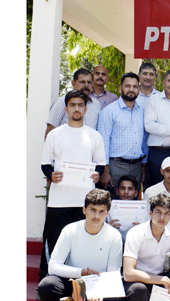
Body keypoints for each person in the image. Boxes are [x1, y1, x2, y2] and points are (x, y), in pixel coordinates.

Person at [39, 90, 107, 281]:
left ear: (85, 109)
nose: (76, 109)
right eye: (72, 105)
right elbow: (45, 164)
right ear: (66, 108)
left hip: (83, 202)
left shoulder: (94, 136)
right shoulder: (55, 135)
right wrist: (51, 175)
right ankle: (46, 279)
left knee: (80, 244)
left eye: (80, 105)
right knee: (54, 242)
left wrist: (97, 174)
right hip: (59, 201)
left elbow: (100, 163)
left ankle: (78, 283)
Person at [37, 189, 124, 301]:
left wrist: (99, 291)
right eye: (92, 210)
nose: (96, 216)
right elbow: (53, 266)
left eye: (101, 211)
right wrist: (83, 272)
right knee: (46, 286)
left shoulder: (114, 235)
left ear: (108, 213)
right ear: (84, 209)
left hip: (100, 282)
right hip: (74, 281)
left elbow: (113, 272)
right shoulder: (70, 230)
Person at [96, 72, 148, 194]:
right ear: (120, 89)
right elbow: (103, 143)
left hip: (137, 166)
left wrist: (143, 167)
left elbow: (144, 141)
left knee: (132, 205)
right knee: (113, 203)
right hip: (115, 166)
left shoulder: (142, 112)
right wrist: (105, 171)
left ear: (139, 90)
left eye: (135, 87)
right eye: (127, 86)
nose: (131, 89)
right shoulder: (109, 111)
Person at [46, 69, 103, 138]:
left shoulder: (96, 104)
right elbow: (50, 131)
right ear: (73, 83)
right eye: (82, 82)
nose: (86, 85)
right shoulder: (62, 102)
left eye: (89, 82)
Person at [106, 175, 143, 242]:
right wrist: (106, 227)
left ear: (136, 193)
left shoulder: (143, 209)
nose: (126, 192)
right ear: (117, 191)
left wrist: (144, 229)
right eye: (122, 188)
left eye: (130, 189)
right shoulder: (108, 208)